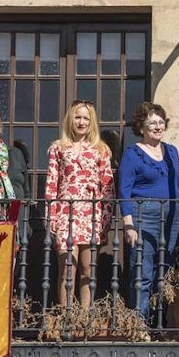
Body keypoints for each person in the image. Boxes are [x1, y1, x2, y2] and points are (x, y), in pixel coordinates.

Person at [117, 102, 179, 322]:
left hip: (173, 216)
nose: (157, 126)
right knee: (143, 271)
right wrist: (128, 224)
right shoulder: (132, 153)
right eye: (152, 123)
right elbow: (124, 191)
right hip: (143, 215)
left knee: (164, 271)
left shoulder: (171, 151)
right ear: (142, 127)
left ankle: (158, 322)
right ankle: (139, 325)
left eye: (160, 122)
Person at [45, 101, 115, 312]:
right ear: (70, 119)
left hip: (92, 214)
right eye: (77, 117)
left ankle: (85, 319)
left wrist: (106, 219)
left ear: (91, 121)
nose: (81, 122)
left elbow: (108, 187)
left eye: (86, 118)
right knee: (67, 268)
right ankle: (66, 318)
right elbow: (51, 183)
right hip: (66, 212)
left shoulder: (101, 149)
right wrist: (51, 216)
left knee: (87, 269)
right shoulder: (58, 148)